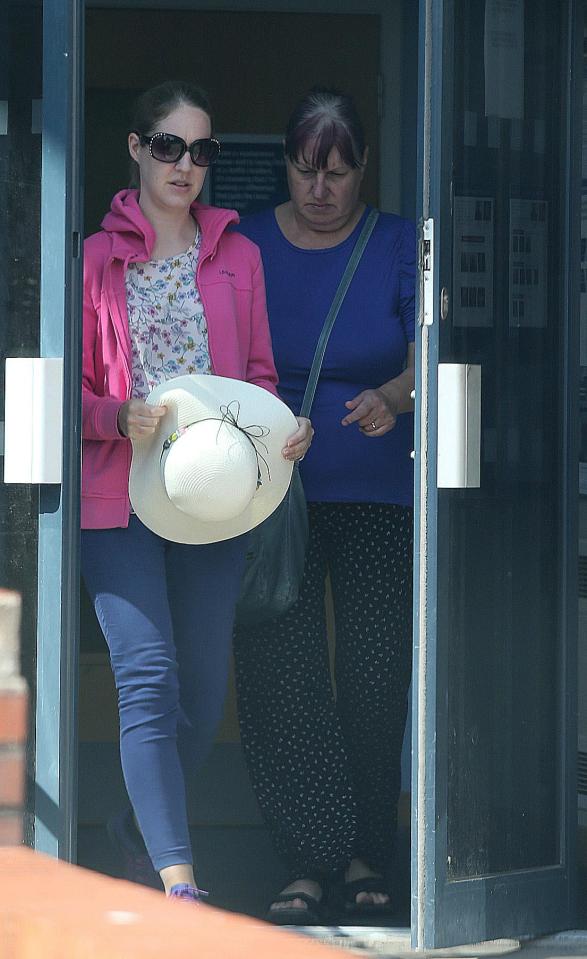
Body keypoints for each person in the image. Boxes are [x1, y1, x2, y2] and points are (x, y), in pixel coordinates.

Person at [81, 80, 312, 903]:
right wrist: (114, 413)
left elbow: (257, 379)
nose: (187, 164)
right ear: (137, 149)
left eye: (202, 150)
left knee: (202, 692)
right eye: (170, 146)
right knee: (147, 677)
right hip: (119, 492)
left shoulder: (237, 254)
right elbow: (62, 392)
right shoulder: (93, 259)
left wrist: (286, 430)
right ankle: (182, 882)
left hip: (215, 496)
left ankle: (133, 833)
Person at [233, 87, 415, 924]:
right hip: (274, 500)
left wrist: (394, 396)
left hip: (379, 493)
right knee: (282, 676)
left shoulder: (393, 243)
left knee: (375, 678)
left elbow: (433, 355)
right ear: (286, 164)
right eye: (307, 171)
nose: (320, 190)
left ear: (362, 168)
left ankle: (368, 848)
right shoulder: (245, 244)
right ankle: (308, 858)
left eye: (338, 173)